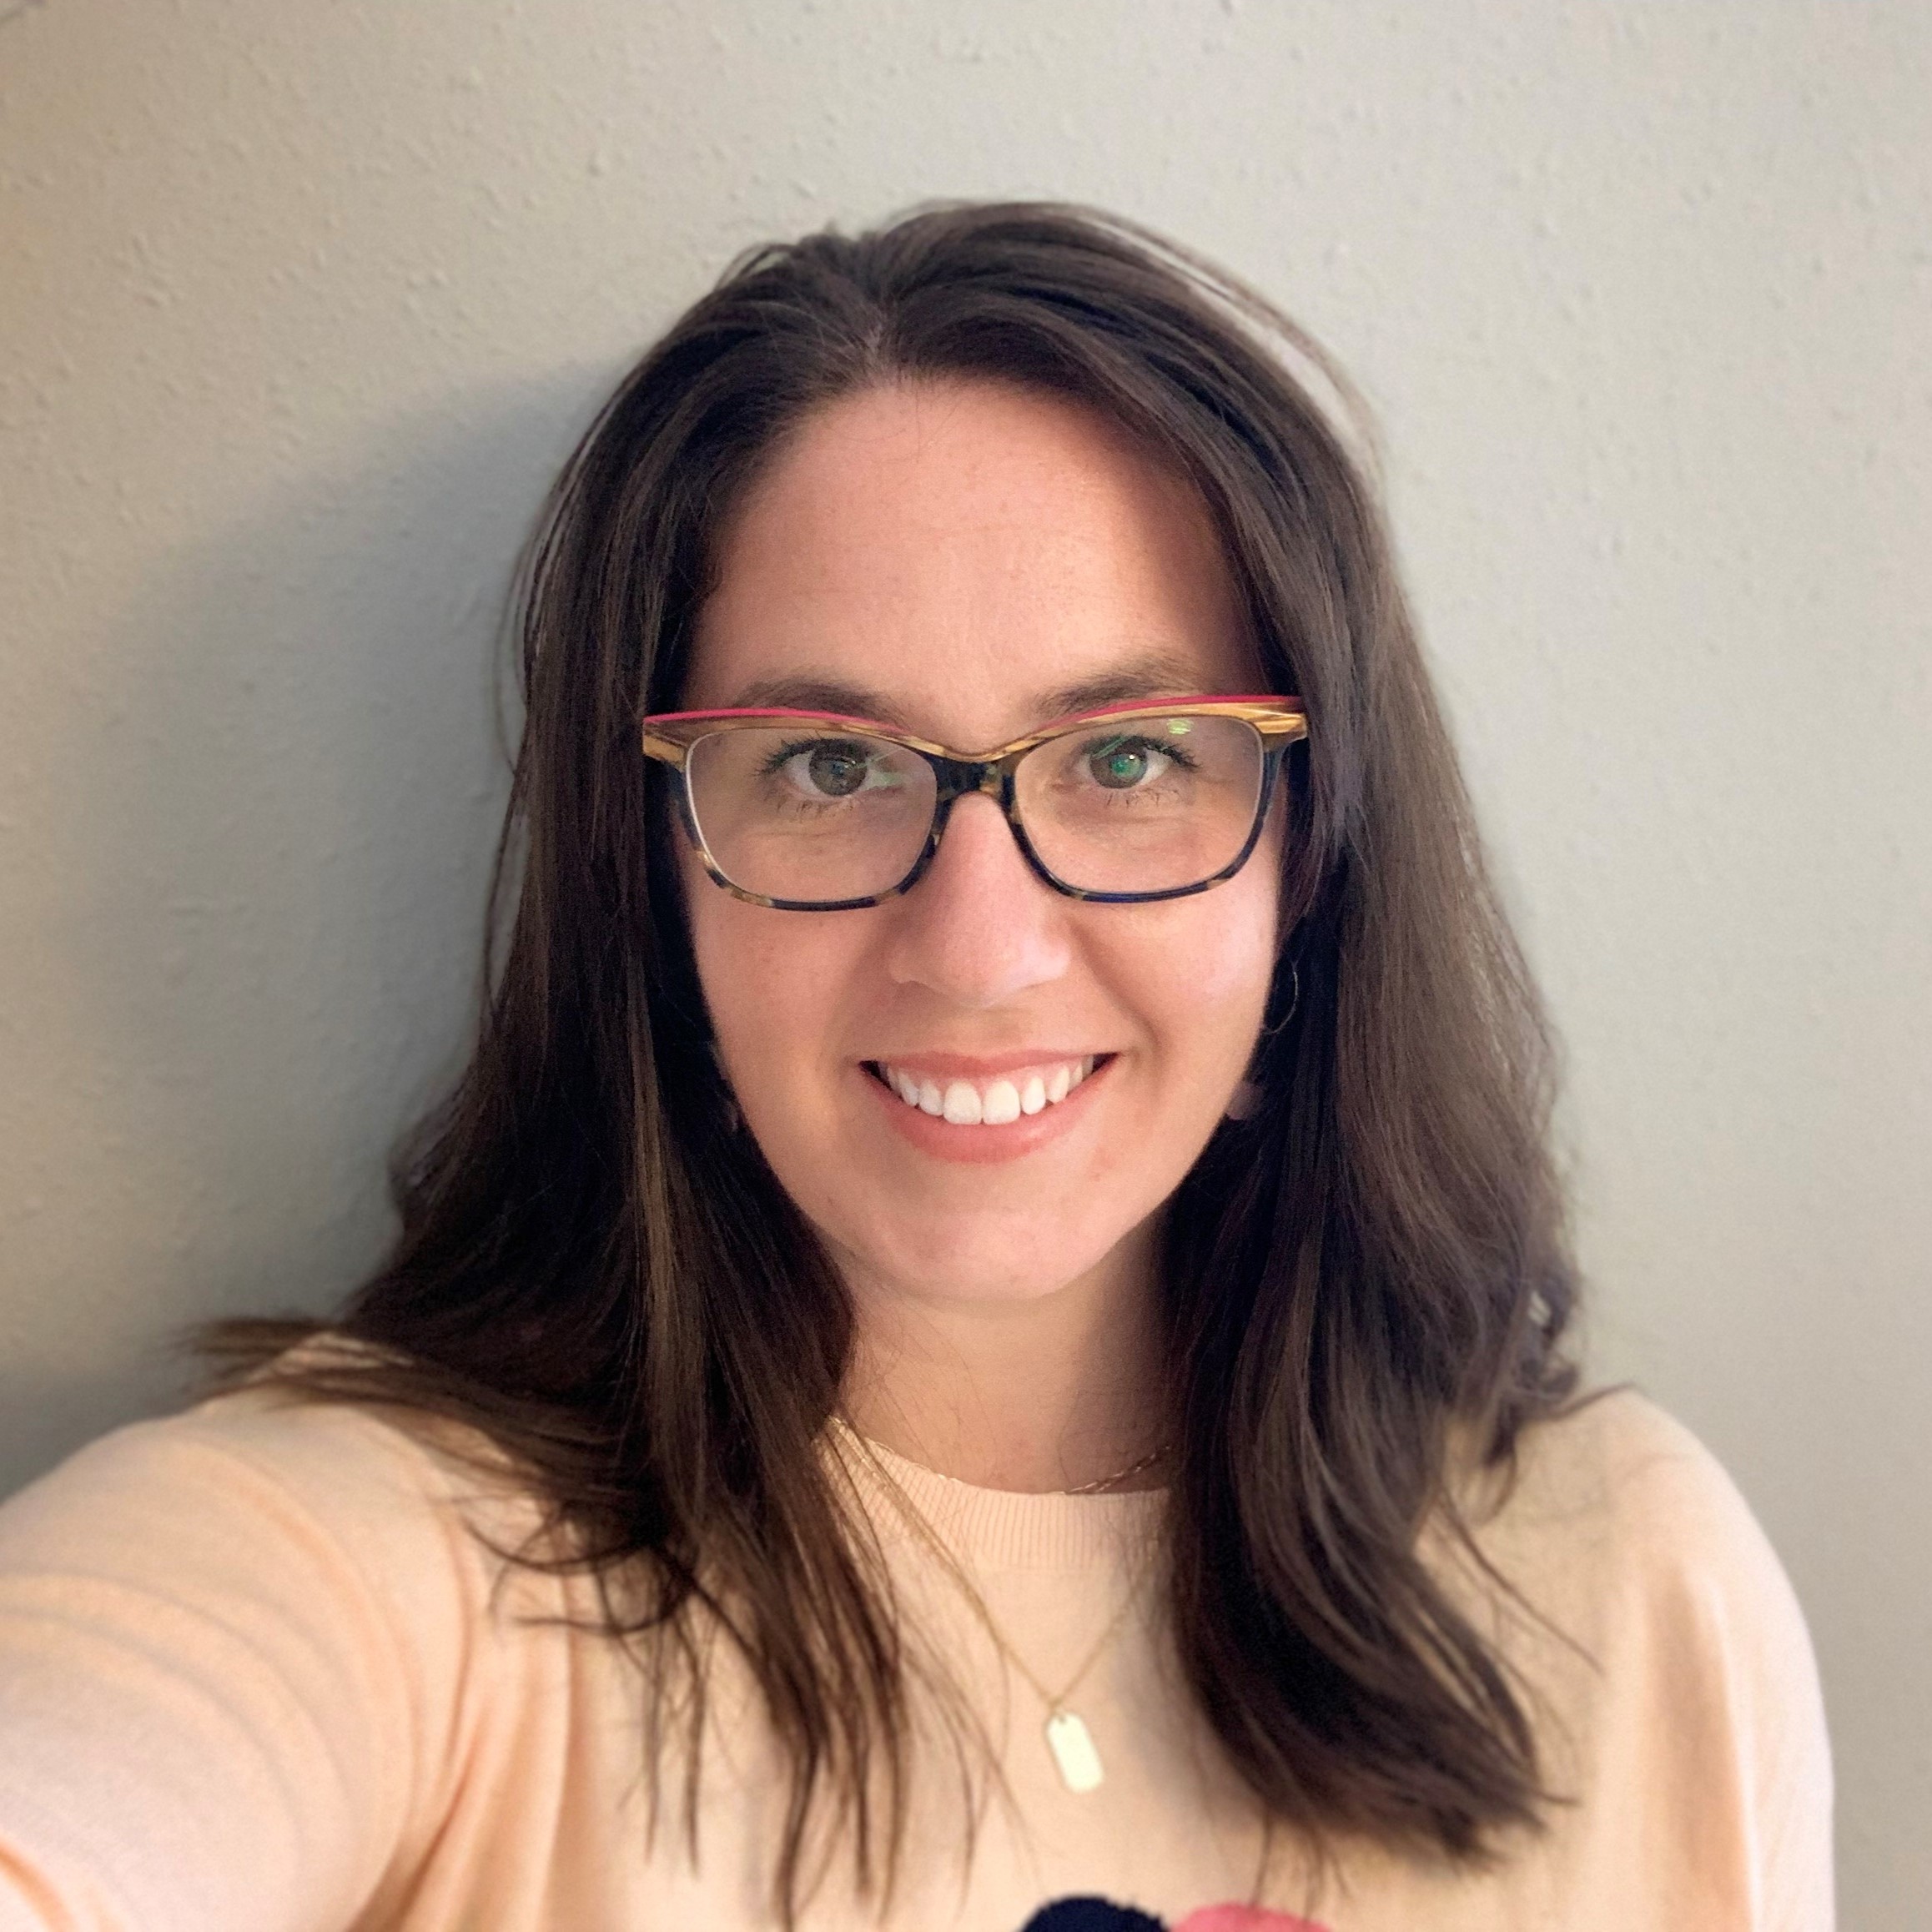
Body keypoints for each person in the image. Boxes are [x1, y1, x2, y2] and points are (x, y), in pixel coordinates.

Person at [0, 203, 1832, 1932]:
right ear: (651, 876)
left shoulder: (1622, 1585)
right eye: (822, 764)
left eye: (1127, 762)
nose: (978, 947)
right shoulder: (372, 1564)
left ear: (1313, 859)